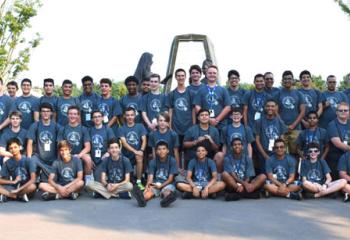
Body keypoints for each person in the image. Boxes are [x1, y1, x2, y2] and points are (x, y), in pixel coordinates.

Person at [132, 141, 178, 207]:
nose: (161, 151)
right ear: (156, 151)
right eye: (159, 149)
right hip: (155, 184)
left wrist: (161, 185)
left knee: (166, 192)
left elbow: (170, 179)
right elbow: (150, 177)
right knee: (149, 193)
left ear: (167, 151)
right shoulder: (153, 162)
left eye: (164, 149)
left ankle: (166, 201)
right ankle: (142, 199)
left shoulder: (172, 161)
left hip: (167, 184)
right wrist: (148, 186)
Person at [272, 70, 305, 157]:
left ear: (293, 80)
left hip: (296, 128)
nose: (287, 81)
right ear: (282, 81)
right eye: (285, 79)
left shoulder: (298, 93)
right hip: (281, 129)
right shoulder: (278, 93)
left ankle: (295, 171)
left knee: (297, 152)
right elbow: (275, 111)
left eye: (289, 78)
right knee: (281, 153)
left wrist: (293, 125)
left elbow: (302, 111)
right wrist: (283, 125)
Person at [57, 106, 93, 183]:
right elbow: (60, 146)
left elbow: (88, 147)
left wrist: (79, 155)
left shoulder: (83, 129)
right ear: (67, 115)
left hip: (79, 154)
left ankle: (89, 182)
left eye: (75, 114)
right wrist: (67, 154)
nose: (72, 116)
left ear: (78, 116)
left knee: (88, 158)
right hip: (66, 153)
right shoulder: (62, 129)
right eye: (70, 114)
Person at [168, 68, 195, 166]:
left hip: (188, 126)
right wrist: (170, 126)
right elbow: (170, 110)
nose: (180, 77)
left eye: (182, 75)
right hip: (176, 126)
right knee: (176, 151)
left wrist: (194, 124)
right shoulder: (171, 94)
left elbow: (193, 110)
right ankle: (178, 170)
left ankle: (188, 172)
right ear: (176, 77)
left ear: (185, 77)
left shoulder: (191, 93)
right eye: (178, 76)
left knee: (189, 151)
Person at [27, 103, 60, 182]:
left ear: (51, 113)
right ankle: (34, 179)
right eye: (43, 111)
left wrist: (59, 160)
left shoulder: (57, 126)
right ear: (40, 113)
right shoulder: (35, 125)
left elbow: (60, 145)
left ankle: (45, 177)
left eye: (48, 111)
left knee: (52, 179)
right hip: (39, 158)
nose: (45, 113)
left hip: (53, 159)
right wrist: (28, 157)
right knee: (32, 160)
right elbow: (30, 143)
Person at [215, 108, 254, 173]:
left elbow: (249, 145)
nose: (236, 116)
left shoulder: (246, 129)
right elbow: (224, 145)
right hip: (230, 156)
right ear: (230, 116)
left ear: (242, 116)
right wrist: (224, 158)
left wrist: (249, 158)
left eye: (238, 114)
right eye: (234, 115)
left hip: (243, 156)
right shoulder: (225, 129)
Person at [254, 99, 288, 173]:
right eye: (268, 106)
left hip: (277, 152)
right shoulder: (259, 121)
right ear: (265, 107)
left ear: (276, 107)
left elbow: (282, 138)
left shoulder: (280, 121)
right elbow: (257, 140)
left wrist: (282, 153)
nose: (270, 108)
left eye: (272, 106)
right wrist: (264, 155)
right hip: (264, 152)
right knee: (264, 175)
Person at [194, 65, 231, 130]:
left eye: (214, 73)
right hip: (204, 125)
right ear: (206, 74)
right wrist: (208, 119)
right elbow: (197, 107)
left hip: (221, 125)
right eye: (210, 73)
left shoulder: (223, 90)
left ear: (217, 75)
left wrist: (217, 120)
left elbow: (228, 107)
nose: (212, 75)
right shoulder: (200, 90)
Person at [118, 107, 147, 190]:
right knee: (129, 182)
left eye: (131, 115)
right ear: (124, 116)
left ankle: (139, 182)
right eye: (127, 115)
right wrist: (135, 151)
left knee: (139, 157)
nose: (130, 117)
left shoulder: (140, 126)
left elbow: (144, 140)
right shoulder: (121, 128)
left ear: (135, 115)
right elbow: (124, 143)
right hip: (126, 156)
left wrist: (141, 150)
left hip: (137, 155)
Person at [0, 138, 36, 203]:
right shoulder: (7, 163)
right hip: (13, 187)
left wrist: (19, 189)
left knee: (33, 186)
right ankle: (17, 196)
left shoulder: (28, 160)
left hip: (25, 187)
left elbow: (33, 179)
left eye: (15, 147)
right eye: (11, 148)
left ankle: (7, 195)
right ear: (8, 150)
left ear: (20, 147)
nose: (13, 150)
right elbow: (1, 180)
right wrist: (13, 182)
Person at [89, 110, 115, 182]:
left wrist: (108, 153)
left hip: (105, 158)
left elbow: (114, 144)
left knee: (103, 180)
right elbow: (87, 146)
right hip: (94, 160)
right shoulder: (89, 130)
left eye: (99, 116)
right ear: (92, 119)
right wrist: (89, 159)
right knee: (97, 181)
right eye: (95, 117)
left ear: (102, 118)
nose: (97, 119)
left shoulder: (108, 129)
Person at [326, 102, 350, 179]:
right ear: (336, 112)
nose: (343, 112)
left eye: (345, 110)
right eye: (340, 110)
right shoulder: (332, 124)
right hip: (337, 157)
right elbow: (338, 143)